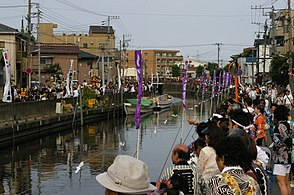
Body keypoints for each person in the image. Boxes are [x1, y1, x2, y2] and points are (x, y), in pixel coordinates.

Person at [273, 105, 293, 195]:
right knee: (287, 182)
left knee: (281, 184)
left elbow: (276, 144)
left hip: (280, 157)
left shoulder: (278, 127)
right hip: (289, 156)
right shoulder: (290, 125)